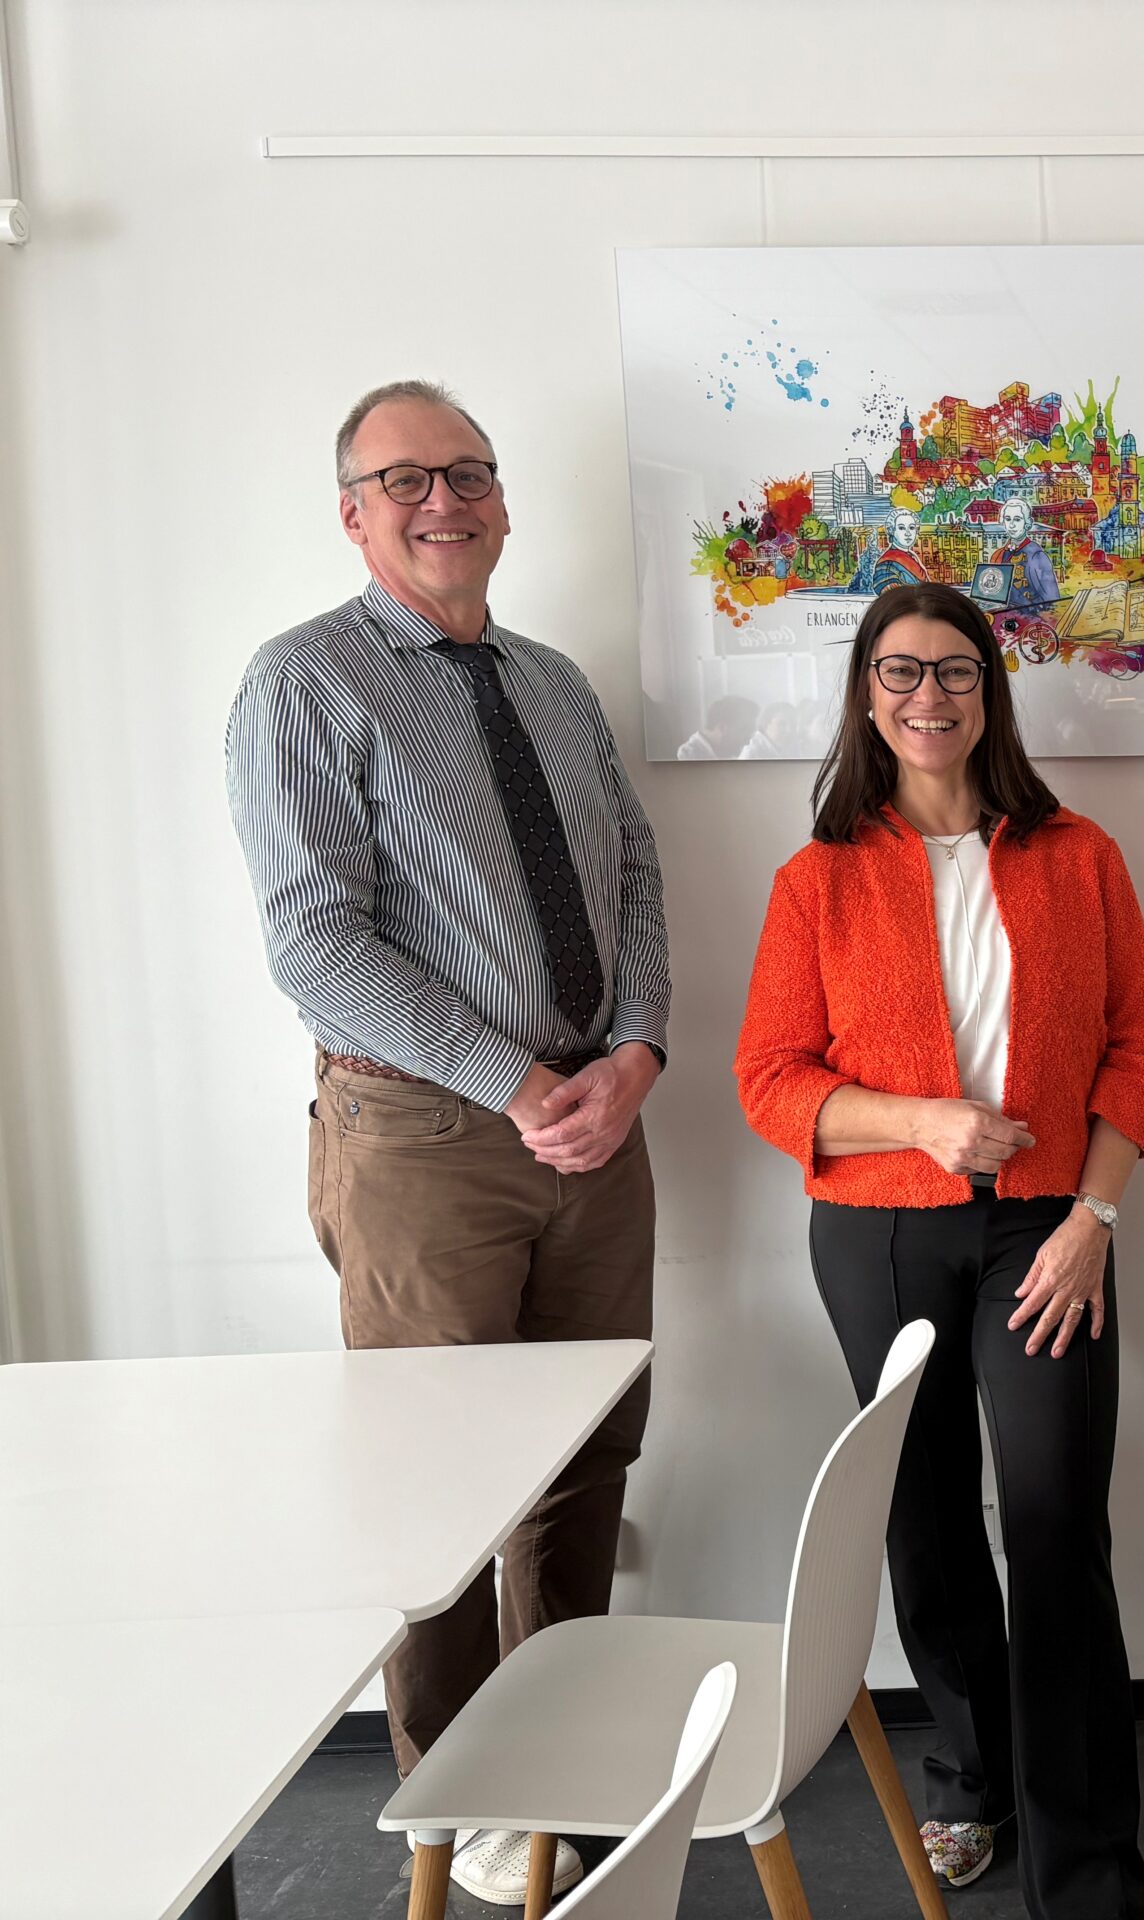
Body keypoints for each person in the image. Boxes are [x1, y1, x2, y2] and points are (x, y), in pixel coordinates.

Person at [225, 379, 670, 1908]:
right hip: (421, 1135)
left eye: (468, 471)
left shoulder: (551, 683)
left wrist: (636, 1054)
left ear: (500, 499)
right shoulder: (305, 684)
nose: (444, 498)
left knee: (586, 1455)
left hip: (596, 1121)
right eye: (405, 477)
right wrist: (507, 1079)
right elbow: (314, 944)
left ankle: (571, 1755)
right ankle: (466, 1801)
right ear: (351, 511)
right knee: (436, 1488)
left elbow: (631, 871)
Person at [735, 581, 1144, 1919]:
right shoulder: (817, 879)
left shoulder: (1078, 856)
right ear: (868, 697)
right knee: (923, 1520)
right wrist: (919, 1118)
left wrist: (1093, 1220)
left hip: (1046, 1231)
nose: (930, 698)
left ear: (992, 693)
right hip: (875, 1235)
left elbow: (1139, 1050)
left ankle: (1089, 1869)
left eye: (956, 674)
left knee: (1051, 1525)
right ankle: (968, 1776)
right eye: (901, 674)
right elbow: (769, 1080)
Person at [676, 692, 760, 760]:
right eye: (744, 730)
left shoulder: (726, 754)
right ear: (722, 728)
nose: (748, 742)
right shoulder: (686, 759)